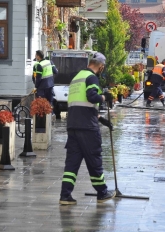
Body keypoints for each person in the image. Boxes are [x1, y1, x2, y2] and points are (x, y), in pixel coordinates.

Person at [59, 52, 116, 205]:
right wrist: (104, 97)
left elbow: (80, 105)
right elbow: (92, 97)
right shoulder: (92, 78)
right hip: (87, 128)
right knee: (94, 159)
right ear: (101, 66)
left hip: (73, 125)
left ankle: (65, 196)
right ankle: (102, 192)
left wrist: (102, 119)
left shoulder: (76, 78)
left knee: (72, 163)